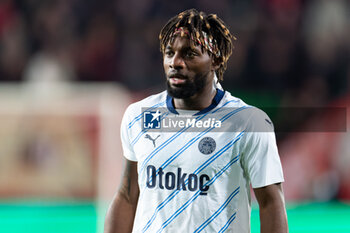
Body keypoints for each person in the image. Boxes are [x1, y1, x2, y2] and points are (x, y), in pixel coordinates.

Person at [104, 9, 288, 233]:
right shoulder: (139, 116)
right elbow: (127, 195)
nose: (176, 62)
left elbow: (270, 202)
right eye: (170, 53)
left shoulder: (249, 122)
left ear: (216, 60)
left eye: (189, 54)